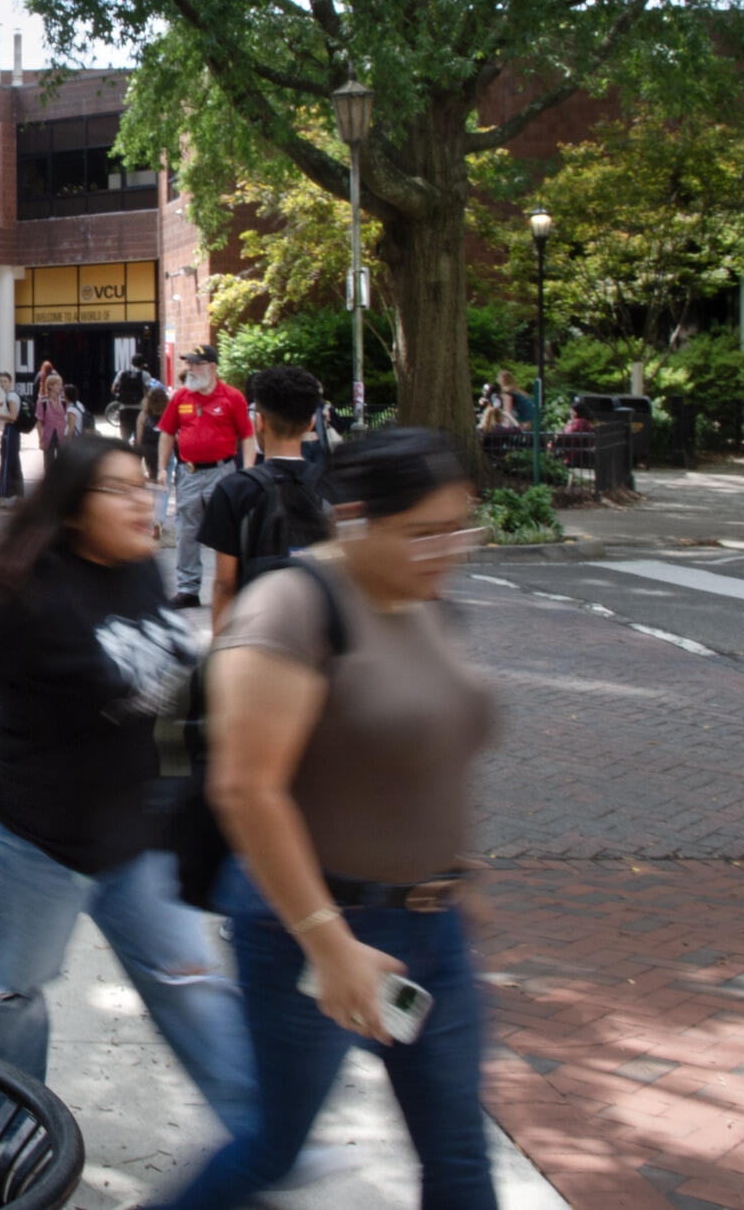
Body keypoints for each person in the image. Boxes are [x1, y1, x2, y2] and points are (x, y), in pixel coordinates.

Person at [153, 429, 497, 1210]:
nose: (450, 550)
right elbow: (246, 790)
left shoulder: (426, 601)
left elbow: (433, 747)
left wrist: (459, 869)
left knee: (459, 1162)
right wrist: (327, 940)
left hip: (432, 929)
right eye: (425, 532)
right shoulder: (292, 607)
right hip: (311, 932)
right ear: (354, 519)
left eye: (461, 527)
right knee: (271, 1149)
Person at [0, 437, 255, 1139]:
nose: (141, 501)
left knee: (190, 980)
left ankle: (266, 1138)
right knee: (8, 994)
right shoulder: (29, 596)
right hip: (36, 839)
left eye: (145, 485)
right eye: (118, 489)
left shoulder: (143, 570)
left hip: (136, 834)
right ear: (73, 509)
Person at [197, 366, 337, 634]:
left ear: (258, 422)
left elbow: (225, 584)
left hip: (255, 634)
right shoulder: (333, 485)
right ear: (310, 424)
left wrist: (220, 651)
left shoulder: (233, 489)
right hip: (318, 631)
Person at [155, 348, 256, 608]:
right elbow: (167, 433)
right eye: (188, 364)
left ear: (211, 367)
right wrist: (162, 468)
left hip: (222, 472)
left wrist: (248, 471)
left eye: (195, 364)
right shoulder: (180, 397)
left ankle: (236, 585)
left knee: (228, 530)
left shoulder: (232, 397)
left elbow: (247, 435)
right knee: (186, 532)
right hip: (189, 473)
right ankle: (188, 590)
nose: (190, 369)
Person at [0, 371, 26, 505]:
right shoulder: (12, 395)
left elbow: (12, 417)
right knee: (14, 462)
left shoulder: (11, 396)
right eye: (1, 381)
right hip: (14, 432)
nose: (2, 384)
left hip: (11, 431)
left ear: (10, 381)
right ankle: (19, 495)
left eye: (5, 381)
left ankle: (3, 496)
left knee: (6, 463)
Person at [112, 354, 151, 447]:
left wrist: (121, 395)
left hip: (124, 409)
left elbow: (113, 389)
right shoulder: (145, 375)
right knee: (139, 436)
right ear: (142, 365)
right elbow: (147, 392)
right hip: (138, 410)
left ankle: (126, 456)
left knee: (125, 437)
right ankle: (137, 457)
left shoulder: (121, 373)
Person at [139, 376, 170, 484]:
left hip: (149, 451)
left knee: (152, 478)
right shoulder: (169, 414)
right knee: (165, 481)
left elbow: (139, 438)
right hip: (166, 452)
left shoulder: (143, 415)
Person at [35, 362, 65, 457]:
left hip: (62, 437)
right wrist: (41, 439)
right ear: (51, 386)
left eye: (61, 384)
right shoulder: (42, 402)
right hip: (48, 437)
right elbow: (39, 422)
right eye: (58, 385)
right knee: (49, 464)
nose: (61, 387)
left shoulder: (64, 401)